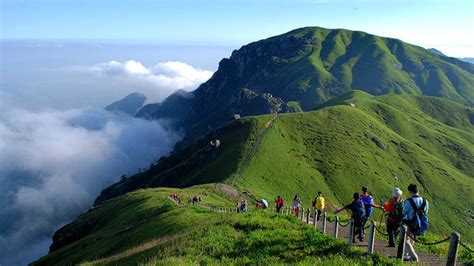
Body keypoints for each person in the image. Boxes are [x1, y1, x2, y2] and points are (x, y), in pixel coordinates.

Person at [402, 184, 429, 262]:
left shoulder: (409, 201)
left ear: (410, 192)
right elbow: (426, 211)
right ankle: (407, 255)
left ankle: (414, 257)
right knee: (412, 238)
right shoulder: (425, 201)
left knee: (405, 239)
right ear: (418, 191)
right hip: (420, 223)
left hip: (410, 223)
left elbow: (404, 212)